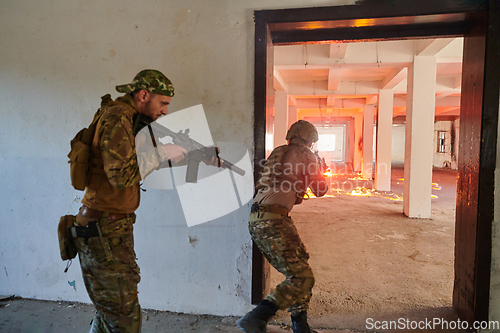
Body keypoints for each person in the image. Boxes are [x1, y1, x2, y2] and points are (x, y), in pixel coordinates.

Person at [72, 69, 191, 333]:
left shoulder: (128, 118)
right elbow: (121, 175)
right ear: (143, 95)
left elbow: (131, 164)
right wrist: (161, 153)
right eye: (163, 103)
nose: (165, 111)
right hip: (103, 229)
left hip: (108, 227)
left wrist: (177, 155)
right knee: (125, 319)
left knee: (109, 314)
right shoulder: (118, 117)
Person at [237, 120, 328, 333]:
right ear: (309, 140)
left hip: (261, 219)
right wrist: (321, 170)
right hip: (273, 221)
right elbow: (320, 190)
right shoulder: (306, 154)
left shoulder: (278, 151)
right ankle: (257, 317)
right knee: (302, 277)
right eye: (312, 142)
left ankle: (301, 324)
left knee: (301, 263)